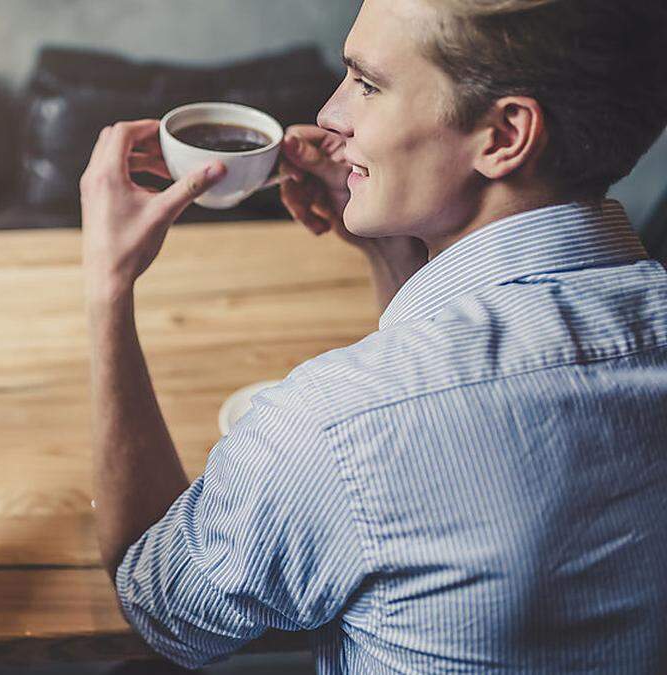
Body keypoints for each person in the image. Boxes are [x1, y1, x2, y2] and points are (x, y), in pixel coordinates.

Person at [80, 0, 667, 671]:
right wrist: (393, 250)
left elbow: (156, 598)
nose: (331, 114)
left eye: (367, 83)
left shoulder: (334, 427)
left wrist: (108, 283)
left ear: (505, 136)